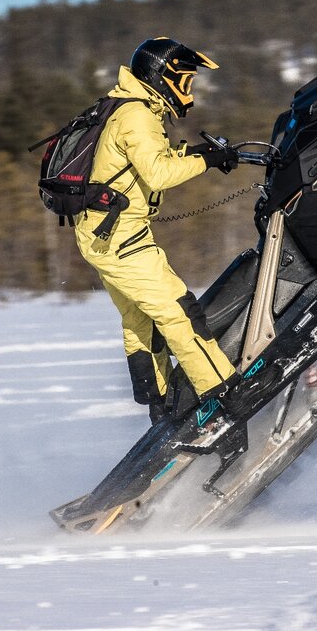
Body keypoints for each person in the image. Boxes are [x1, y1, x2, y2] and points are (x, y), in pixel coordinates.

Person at [75, 37, 242, 424]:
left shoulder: (128, 107)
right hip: (120, 238)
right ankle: (227, 398)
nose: (188, 90)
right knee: (179, 313)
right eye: (185, 80)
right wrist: (208, 161)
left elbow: (150, 160)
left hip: (103, 234)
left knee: (140, 321)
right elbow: (158, 173)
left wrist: (201, 154)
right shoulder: (136, 115)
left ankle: (161, 409)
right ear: (163, 76)